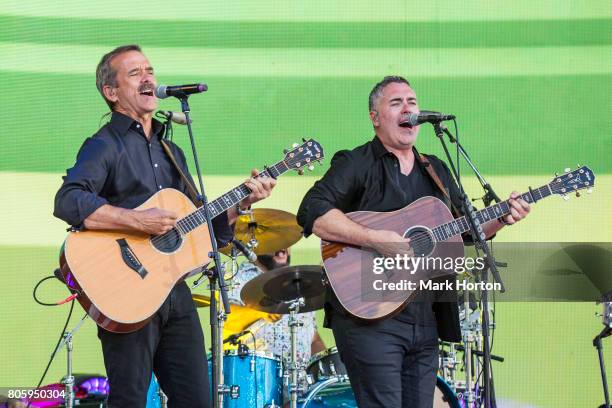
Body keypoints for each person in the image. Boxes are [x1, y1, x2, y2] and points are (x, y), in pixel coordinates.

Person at [53, 44, 276, 407]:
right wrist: (136, 220)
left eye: (150, 70)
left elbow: (202, 229)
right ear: (112, 92)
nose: (148, 78)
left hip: (173, 291)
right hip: (126, 294)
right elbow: (68, 200)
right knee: (129, 400)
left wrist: (242, 203)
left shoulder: (171, 150)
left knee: (197, 400)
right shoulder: (104, 145)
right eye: (135, 73)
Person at [296, 76, 530, 407]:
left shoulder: (435, 169)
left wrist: (504, 216)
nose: (408, 108)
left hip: (426, 316)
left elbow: (466, 230)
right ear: (375, 117)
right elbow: (313, 212)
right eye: (396, 103)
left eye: (412, 102)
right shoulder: (356, 163)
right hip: (369, 315)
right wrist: (376, 239)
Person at [225, 247, 326, 363]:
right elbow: (229, 332)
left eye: (289, 239)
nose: (285, 245)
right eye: (278, 237)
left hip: (301, 378)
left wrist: (327, 366)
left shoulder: (299, 281)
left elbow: (313, 339)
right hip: (259, 374)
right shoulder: (238, 281)